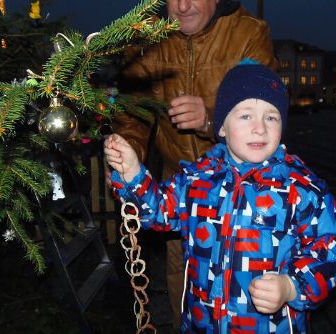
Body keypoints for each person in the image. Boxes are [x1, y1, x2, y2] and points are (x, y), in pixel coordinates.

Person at [105, 59, 336, 333]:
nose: (260, 128)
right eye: (245, 115)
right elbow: (157, 211)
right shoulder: (197, 179)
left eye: (271, 117)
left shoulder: (300, 188)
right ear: (222, 127)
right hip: (202, 325)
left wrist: (292, 286)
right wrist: (132, 173)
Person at [111, 0, 278, 328]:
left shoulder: (248, 32)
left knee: (246, 283)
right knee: (185, 281)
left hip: (245, 188)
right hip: (180, 185)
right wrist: (127, 153)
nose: (182, 6)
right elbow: (134, 110)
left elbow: (266, 107)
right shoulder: (145, 36)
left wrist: (213, 119)